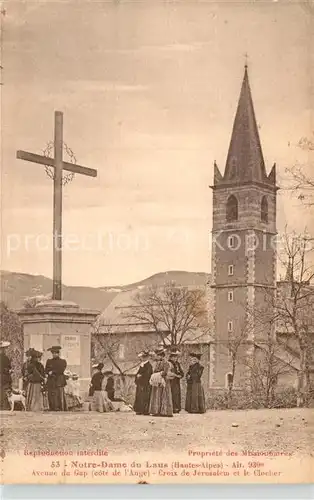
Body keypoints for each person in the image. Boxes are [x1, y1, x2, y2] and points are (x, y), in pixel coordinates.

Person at [149, 348, 173, 417]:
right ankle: (156, 411)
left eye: (158, 355)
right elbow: (154, 371)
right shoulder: (157, 363)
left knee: (164, 395)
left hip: (164, 380)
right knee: (157, 395)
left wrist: (160, 374)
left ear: (162, 356)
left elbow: (165, 372)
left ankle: (164, 411)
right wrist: (155, 375)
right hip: (157, 380)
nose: (157, 357)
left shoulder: (166, 363)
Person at [45, 345, 67, 411]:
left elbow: (61, 370)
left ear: (58, 353)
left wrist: (53, 371)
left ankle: (60, 407)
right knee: (51, 394)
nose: (54, 354)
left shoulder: (63, 361)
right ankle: (52, 407)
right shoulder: (49, 361)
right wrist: (48, 372)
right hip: (51, 380)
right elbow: (46, 370)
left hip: (59, 380)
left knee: (59, 394)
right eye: (53, 353)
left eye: (55, 353)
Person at [134, 350, 153, 415]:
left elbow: (148, 375)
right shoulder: (142, 364)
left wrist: (141, 376)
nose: (142, 358)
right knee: (139, 396)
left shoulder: (149, 365)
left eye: (144, 357)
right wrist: (137, 376)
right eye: (142, 357)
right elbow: (138, 373)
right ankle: (139, 410)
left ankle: (145, 410)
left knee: (145, 396)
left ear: (146, 357)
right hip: (140, 383)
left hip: (145, 384)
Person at [168, 347, 184, 413]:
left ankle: (177, 408)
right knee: (172, 394)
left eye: (176, 357)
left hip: (176, 381)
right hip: (171, 381)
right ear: (171, 357)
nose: (175, 358)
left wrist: (180, 375)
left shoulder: (177, 364)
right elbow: (168, 373)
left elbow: (181, 372)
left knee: (177, 394)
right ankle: (172, 408)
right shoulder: (169, 363)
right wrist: (175, 375)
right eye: (174, 357)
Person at [0, 340, 12, 410]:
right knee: (5, 391)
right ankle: (4, 406)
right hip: (4, 377)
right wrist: (9, 370)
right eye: (5, 348)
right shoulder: (5, 358)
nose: (6, 350)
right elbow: (6, 368)